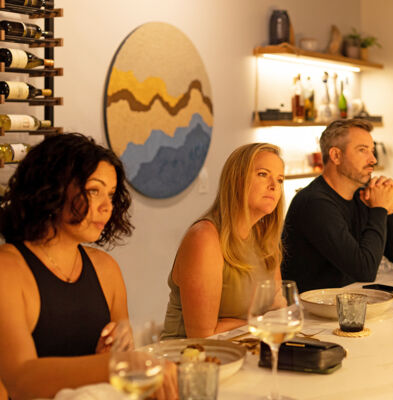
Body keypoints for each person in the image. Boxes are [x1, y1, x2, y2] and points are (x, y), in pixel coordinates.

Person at [0, 133, 177, 399]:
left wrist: (120, 347)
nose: (107, 206)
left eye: (111, 194)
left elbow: (116, 366)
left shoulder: (106, 269)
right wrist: (114, 365)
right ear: (52, 188)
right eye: (94, 190)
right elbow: (20, 379)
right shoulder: (9, 269)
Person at [162, 143, 285, 339]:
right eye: (263, 174)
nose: (274, 185)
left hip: (246, 350)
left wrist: (264, 322)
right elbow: (203, 336)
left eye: (280, 180)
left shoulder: (264, 237)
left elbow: (277, 308)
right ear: (237, 180)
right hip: (190, 359)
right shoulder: (204, 238)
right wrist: (260, 322)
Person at [281, 119, 393, 293]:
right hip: (313, 313)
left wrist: (389, 208)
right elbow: (364, 271)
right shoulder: (315, 203)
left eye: (372, 151)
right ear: (336, 155)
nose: (373, 159)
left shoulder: (362, 196)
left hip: (348, 302)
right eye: (362, 150)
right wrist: (378, 209)